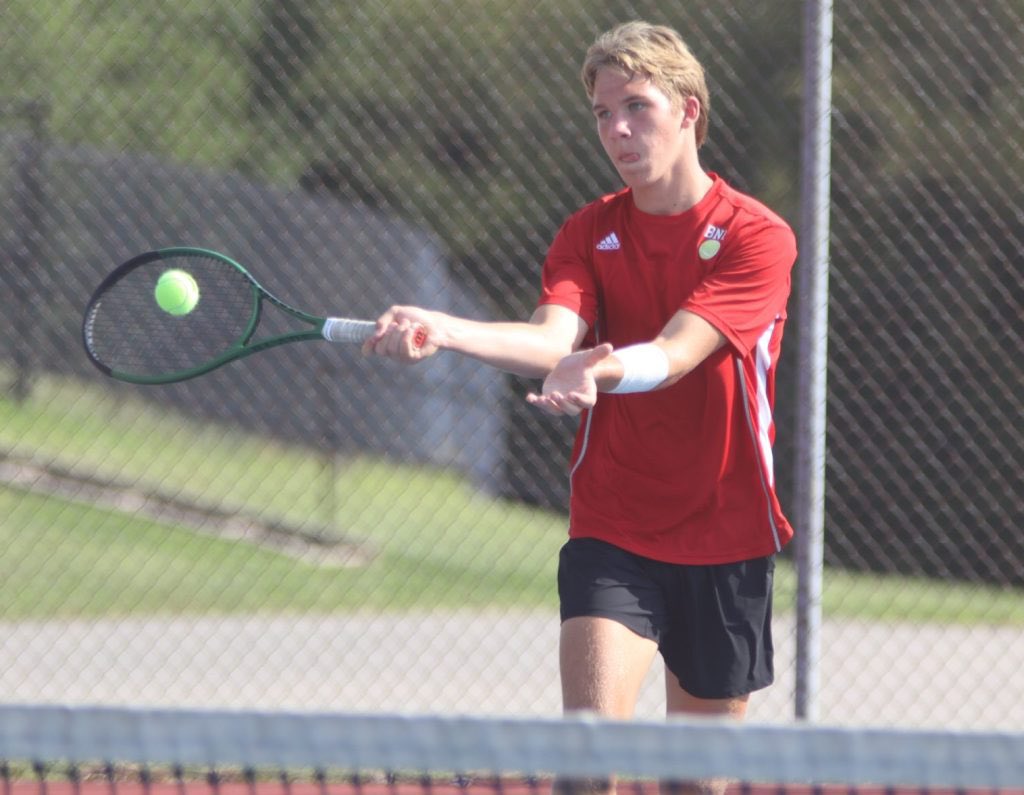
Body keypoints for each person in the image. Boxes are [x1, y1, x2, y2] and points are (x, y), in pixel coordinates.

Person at [364, 20, 796, 791]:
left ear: (689, 109)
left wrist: (599, 372)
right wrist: (444, 328)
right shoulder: (588, 232)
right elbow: (548, 337)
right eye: (602, 113)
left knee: (695, 783)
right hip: (615, 527)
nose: (618, 130)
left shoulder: (755, 238)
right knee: (585, 765)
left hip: (727, 535)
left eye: (636, 106)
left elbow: (673, 352)